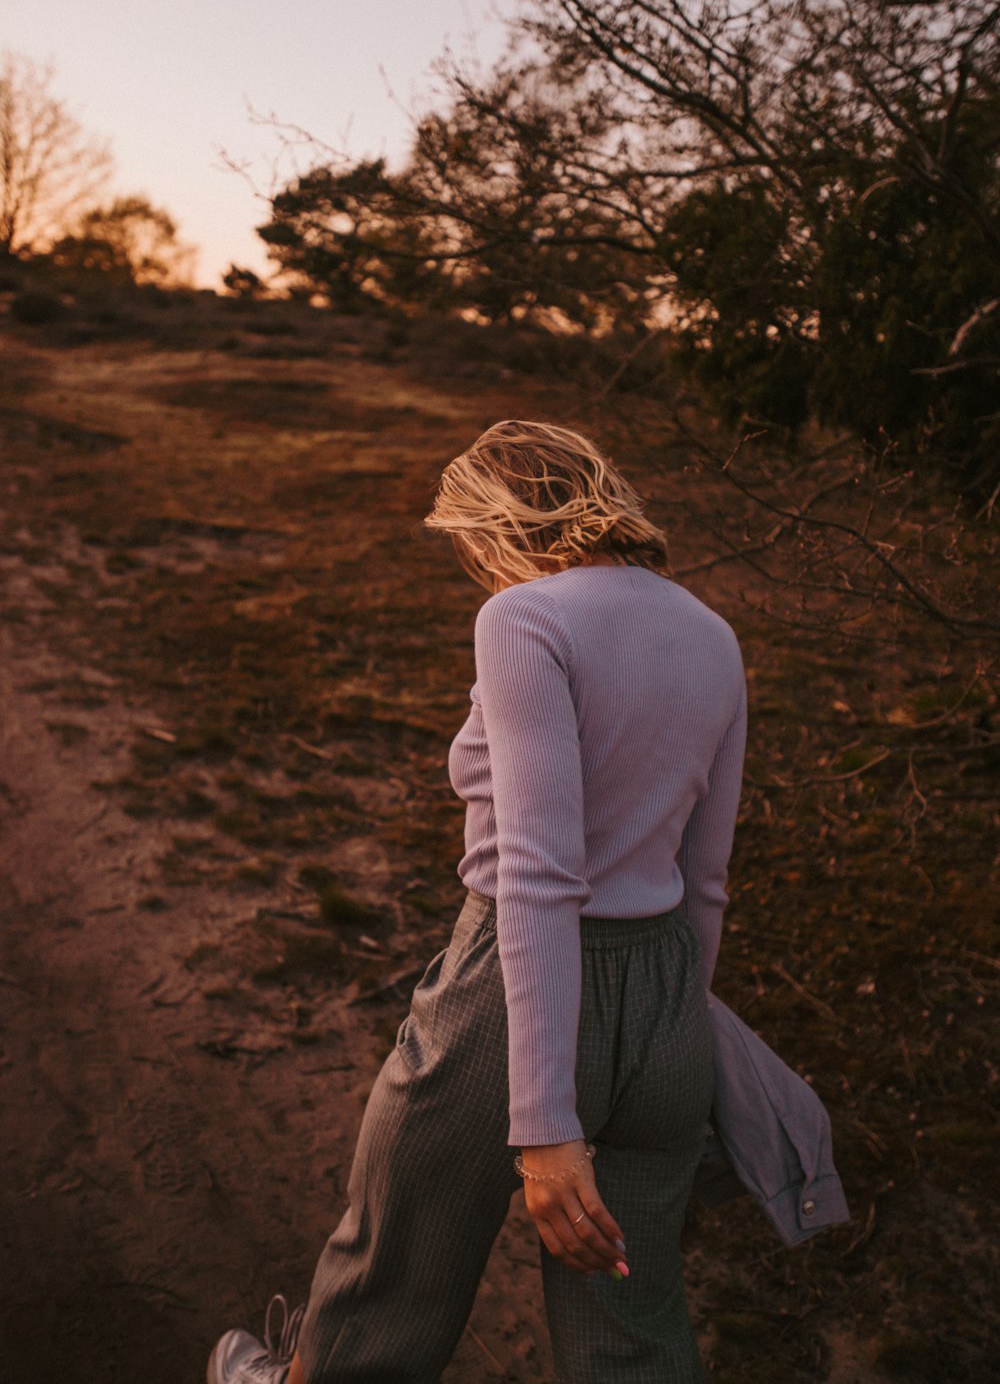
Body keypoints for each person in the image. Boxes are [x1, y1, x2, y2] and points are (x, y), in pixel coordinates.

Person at [208, 419, 747, 1384]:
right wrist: (678, 1041)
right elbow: (705, 876)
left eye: (470, 545)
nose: (475, 572)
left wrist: (544, 1126)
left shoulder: (525, 619)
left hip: (510, 992)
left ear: (499, 523)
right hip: (669, 998)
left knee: (392, 1271)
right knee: (632, 1326)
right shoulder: (712, 633)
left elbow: (537, 877)